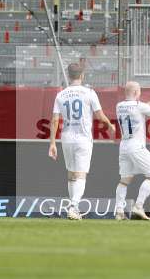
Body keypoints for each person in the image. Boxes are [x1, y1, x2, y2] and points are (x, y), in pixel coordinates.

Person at [48, 63, 115, 220]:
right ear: (82, 75)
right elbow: (99, 115)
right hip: (83, 138)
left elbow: (55, 120)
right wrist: (110, 124)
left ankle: (74, 207)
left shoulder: (61, 95)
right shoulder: (89, 93)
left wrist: (52, 143)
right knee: (81, 174)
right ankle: (73, 206)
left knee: (71, 174)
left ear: (69, 75)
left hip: (67, 138)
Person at [114, 81, 150, 221]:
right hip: (136, 146)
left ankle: (119, 211)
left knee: (125, 180)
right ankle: (139, 206)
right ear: (135, 93)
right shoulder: (139, 106)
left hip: (124, 146)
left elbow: (136, 111)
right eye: (139, 91)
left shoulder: (119, 106)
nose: (140, 93)